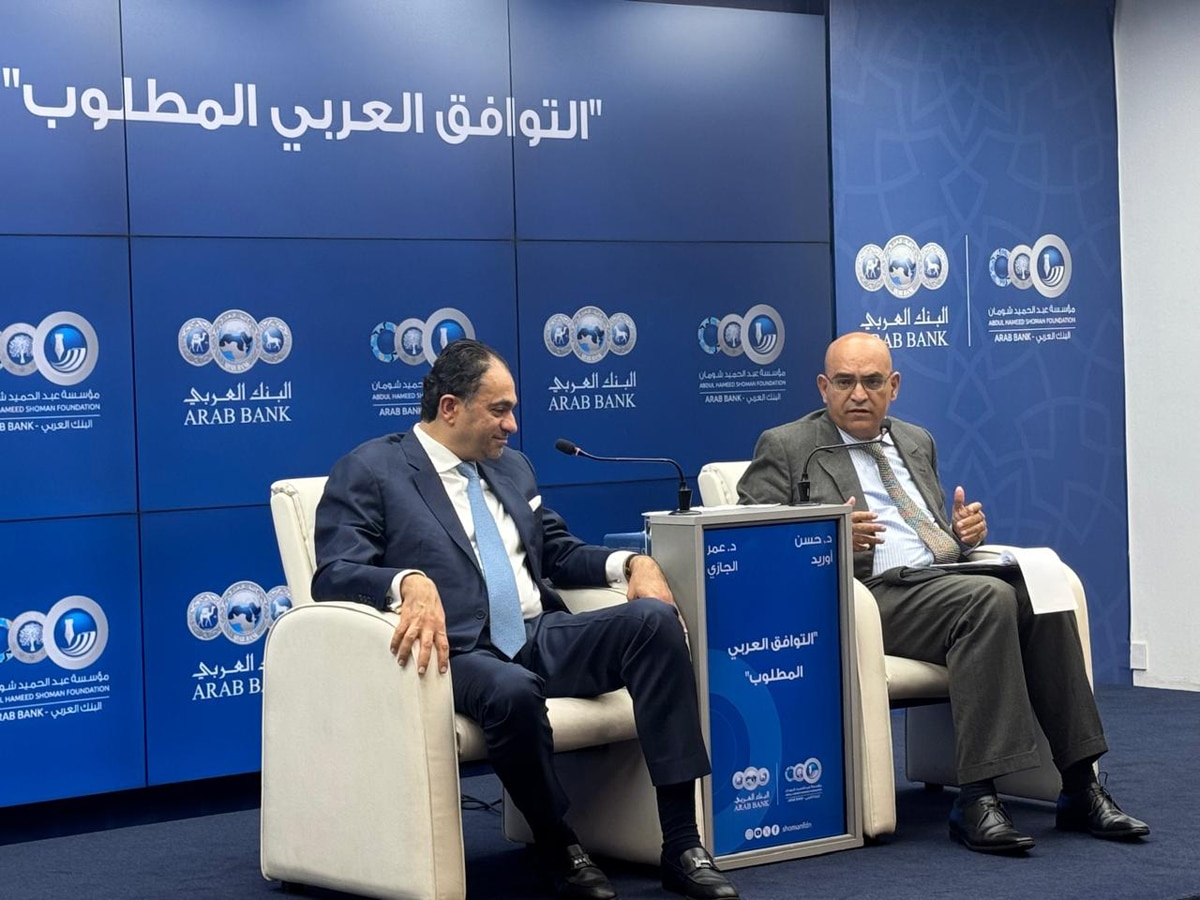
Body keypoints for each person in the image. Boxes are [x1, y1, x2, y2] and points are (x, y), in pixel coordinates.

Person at [312, 339, 739, 900]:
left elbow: (556, 551)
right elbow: (334, 572)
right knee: (512, 689)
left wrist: (633, 564)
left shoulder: (511, 467)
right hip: (458, 652)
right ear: (450, 408)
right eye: (499, 410)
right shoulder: (372, 469)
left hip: (538, 634)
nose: (512, 425)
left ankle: (682, 844)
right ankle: (559, 844)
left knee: (653, 623)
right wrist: (405, 581)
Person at [737, 331, 1148, 854]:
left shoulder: (916, 440)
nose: (858, 394)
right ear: (823, 387)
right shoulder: (787, 445)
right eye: (844, 382)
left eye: (871, 382)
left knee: (1042, 587)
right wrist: (826, 533)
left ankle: (1080, 786)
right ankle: (976, 798)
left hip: (939, 579)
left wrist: (962, 534)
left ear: (894, 386)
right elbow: (749, 540)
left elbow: (925, 532)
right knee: (987, 601)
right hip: (868, 594)